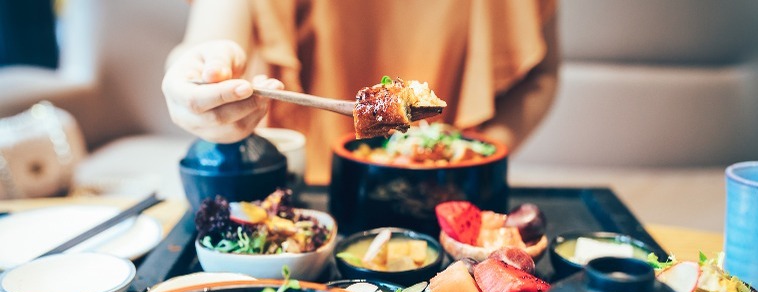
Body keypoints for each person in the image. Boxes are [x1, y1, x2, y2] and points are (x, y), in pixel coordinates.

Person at [162, 0, 558, 185]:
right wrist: (196, 80)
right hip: (308, 187)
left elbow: (539, 73)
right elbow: (207, 43)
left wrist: (468, 160)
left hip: (454, 188)